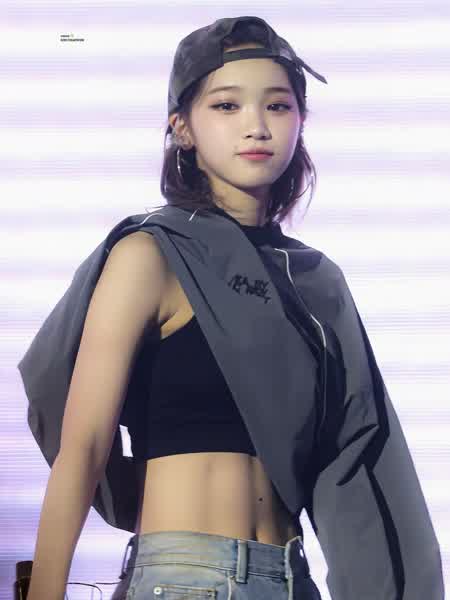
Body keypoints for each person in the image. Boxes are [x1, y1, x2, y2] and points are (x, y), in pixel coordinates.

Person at [18, 15, 443, 600]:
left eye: (278, 106)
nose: (256, 126)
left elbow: (358, 460)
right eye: (226, 105)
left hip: (291, 579)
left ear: (300, 122)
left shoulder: (317, 283)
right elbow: (84, 446)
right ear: (182, 128)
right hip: (184, 578)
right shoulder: (152, 255)